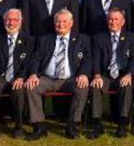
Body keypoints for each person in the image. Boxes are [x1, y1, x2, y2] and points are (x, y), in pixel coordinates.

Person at [25, 9, 90, 140]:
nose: (61, 24)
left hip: (70, 79)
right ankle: (39, 126)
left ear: (71, 23)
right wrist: (33, 75)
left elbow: (88, 59)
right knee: (31, 86)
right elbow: (36, 58)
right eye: (58, 21)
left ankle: (72, 126)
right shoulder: (44, 39)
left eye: (64, 21)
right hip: (48, 78)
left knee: (82, 87)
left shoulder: (82, 39)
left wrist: (83, 74)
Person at [0, 9, 34, 140]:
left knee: (19, 91)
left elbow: (28, 63)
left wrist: (21, 77)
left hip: (19, 78)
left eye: (15, 20)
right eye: (9, 20)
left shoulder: (29, 40)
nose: (11, 23)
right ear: (4, 21)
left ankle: (19, 127)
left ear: (21, 22)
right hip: (1, 77)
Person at [88, 8, 134, 138]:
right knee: (95, 87)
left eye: (116, 19)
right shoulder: (99, 38)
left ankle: (122, 125)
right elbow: (96, 58)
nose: (113, 22)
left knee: (127, 87)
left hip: (123, 74)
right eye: (110, 19)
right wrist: (97, 75)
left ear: (123, 21)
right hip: (105, 75)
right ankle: (97, 124)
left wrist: (129, 75)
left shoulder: (131, 37)